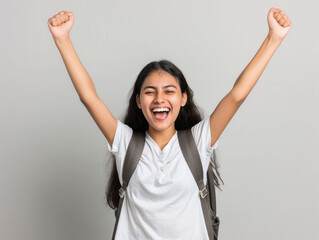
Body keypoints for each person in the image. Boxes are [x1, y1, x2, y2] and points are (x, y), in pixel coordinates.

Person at [47, 7, 292, 239]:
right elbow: (89, 98)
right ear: (139, 101)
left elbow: (237, 95)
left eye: (169, 91)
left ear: (183, 98)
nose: (159, 99)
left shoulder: (198, 141)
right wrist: (62, 40)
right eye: (150, 92)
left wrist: (273, 38)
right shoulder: (125, 143)